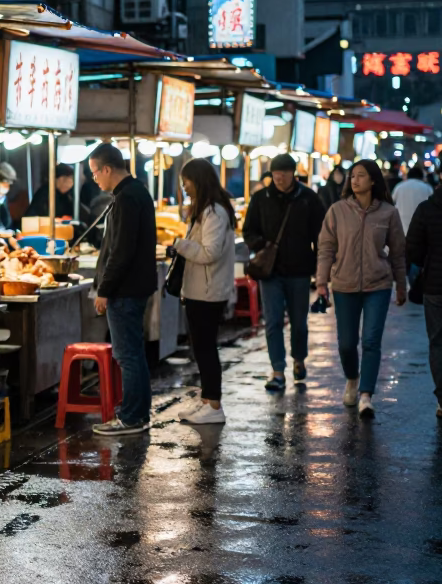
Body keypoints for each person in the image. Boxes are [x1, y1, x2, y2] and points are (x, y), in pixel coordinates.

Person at [316, 159, 406, 418]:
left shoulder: (388, 213)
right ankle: (352, 379)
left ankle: (366, 394)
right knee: (346, 344)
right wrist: (322, 282)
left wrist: (401, 285)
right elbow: (325, 248)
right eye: (352, 176)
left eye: (361, 176)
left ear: (373, 180)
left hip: (378, 285)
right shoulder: (337, 210)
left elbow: (398, 253)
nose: (354, 180)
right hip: (343, 285)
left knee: (371, 341)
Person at [88, 143, 158, 436]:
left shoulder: (127, 198)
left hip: (125, 290)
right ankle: (137, 414)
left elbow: (121, 251)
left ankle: (131, 417)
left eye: (95, 173)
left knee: (128, 355)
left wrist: (104, 289)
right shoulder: (135, 192)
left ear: (107, 169)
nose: (95, 179)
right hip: (133, 288)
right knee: (133, 354)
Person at [242, 154, 326, 391]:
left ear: (293, 174)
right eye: (275, 174)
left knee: (299, 322)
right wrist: (262, 246)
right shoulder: (260, 198)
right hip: (271, 272)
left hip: (300, 271)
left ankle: (299, 359)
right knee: (273, 321)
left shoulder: (308, 198)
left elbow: (321, 236)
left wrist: (322, 268)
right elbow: (248, 230)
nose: (278, 178)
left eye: (283, 173)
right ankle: (277, 370)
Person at [170, 160, 237, 425]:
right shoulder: (206, 210)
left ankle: (214, 405)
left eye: (186, 180)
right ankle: (207, 400)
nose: (184, 186)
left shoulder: (214, 212)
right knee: (201, 347)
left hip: (209, 291)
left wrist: (180, 244)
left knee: (206, 348)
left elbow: (210, 252)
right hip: (201, 289)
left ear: (199, 180)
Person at [406, 160, 442, 418]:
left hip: (436, 285)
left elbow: (413, 248)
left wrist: (426, 263)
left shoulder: (427, 209)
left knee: (439, 342)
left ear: (441, 176)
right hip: (436, 283)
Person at [392, 163, 434, 234]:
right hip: (422, 227)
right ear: (421, 176)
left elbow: (392, 201)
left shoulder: (399, 187)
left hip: (402, 226)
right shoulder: (427, 187)